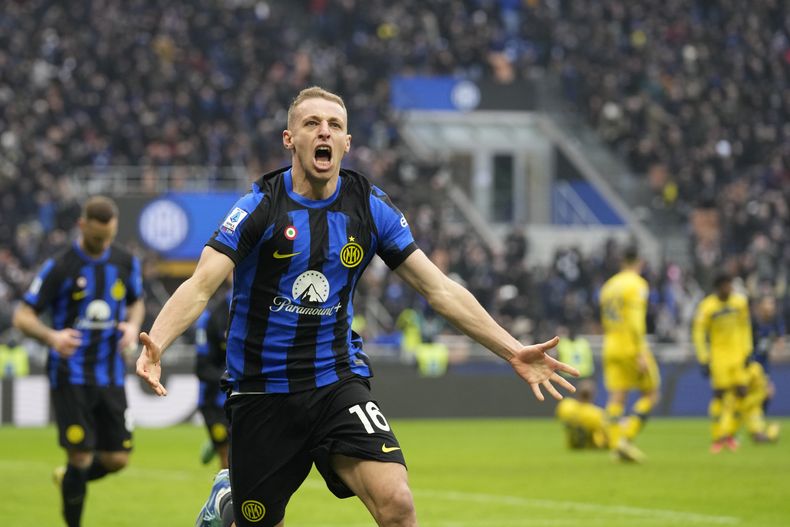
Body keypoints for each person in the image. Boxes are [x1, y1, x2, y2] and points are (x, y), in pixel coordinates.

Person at [135, 86, 579, 527]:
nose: (324, 132)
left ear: (347, 143)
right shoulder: (260, 207)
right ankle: (229, 501)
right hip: (262, 392)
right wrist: (157, 341)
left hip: (335, 382)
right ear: (290, 140)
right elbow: (200, 285)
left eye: (335, 125)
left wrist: (511, 349)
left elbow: (439, 289)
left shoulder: (369, 207)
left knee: (398, 506)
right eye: (312, 123)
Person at [13, 196, 144, 527]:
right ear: (82, 226)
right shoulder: (60, 266)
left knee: (117, 459)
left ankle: (70, 478)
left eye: (109, 237)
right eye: (98, 237)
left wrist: (132, 325)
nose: (104, 244)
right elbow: (23, 316)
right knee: (81, 455)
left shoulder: (126, 262)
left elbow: (137, 302)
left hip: (111, 373)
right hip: (70, 375)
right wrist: (52, 337)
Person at [598, 246, 660, 462]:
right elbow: (635, 321)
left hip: (610, 345)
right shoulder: (637, 284)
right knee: (651, 393)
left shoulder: (608, 286)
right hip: (630, 346)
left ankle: (616, 445)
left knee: (617, 397)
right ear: (639, 262)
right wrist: (641, 351)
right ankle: (627, 435)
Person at [692, 273, 752, 453]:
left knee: (741, 393)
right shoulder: (707, 307)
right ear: (718, 287)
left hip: (738, 355)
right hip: (719, 357)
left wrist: (748, 350)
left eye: (730, 285)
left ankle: (730, 434)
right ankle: (718, 437)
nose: (730, 289)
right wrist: (703, 357)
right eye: (726, 285)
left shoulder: (740, 303)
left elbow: (745, 327)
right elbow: (698, 333)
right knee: (720, 395)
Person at [195, 283, 232, 469]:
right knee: (228, 460)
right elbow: (202, 367)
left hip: (251, 396)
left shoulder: (270, 309)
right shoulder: (213, 316)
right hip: (216, 401)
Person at [555, 379, 607, 450]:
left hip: (572, 441)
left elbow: (558, 416)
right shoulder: (596, 413)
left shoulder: (565, 405)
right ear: (593, 395)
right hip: (591, 444)